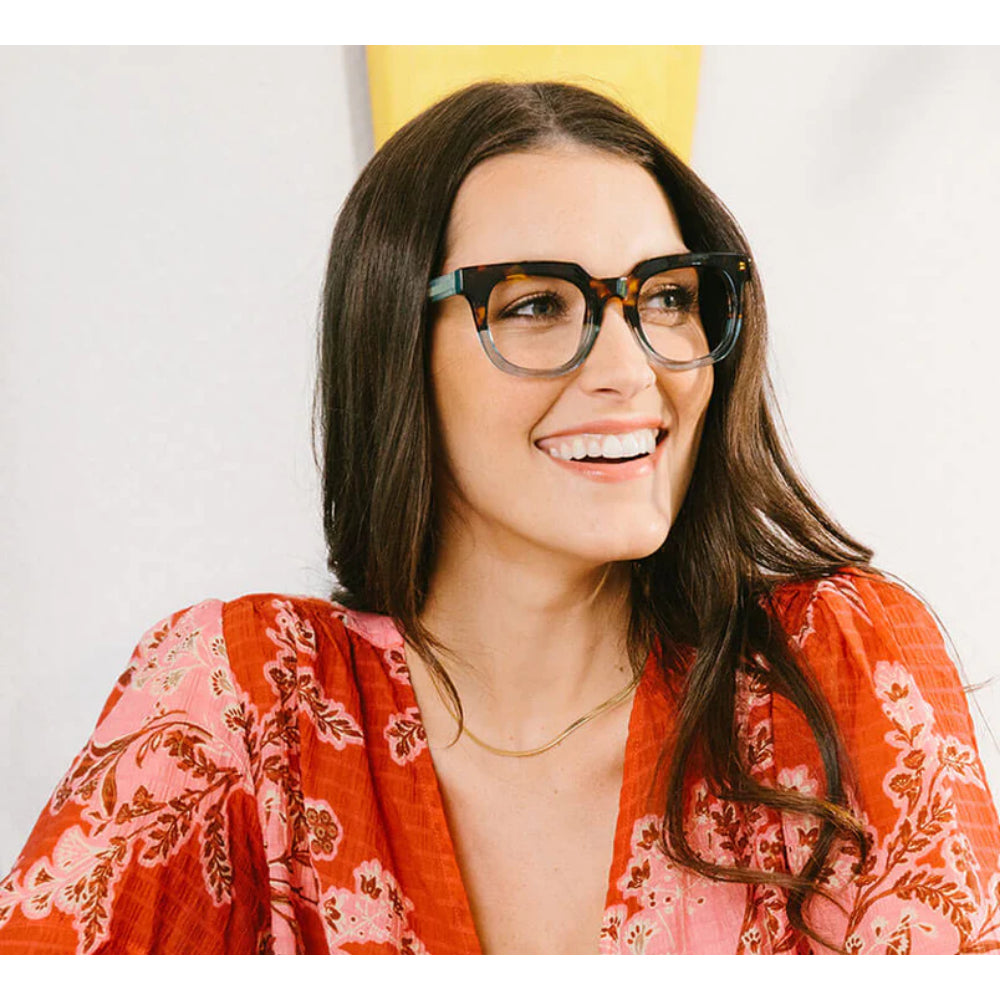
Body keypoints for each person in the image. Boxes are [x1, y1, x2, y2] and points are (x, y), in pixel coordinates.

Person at [1, 80, 998, 956]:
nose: (630, 370)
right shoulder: (245, 705)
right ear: (393, 345)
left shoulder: (837, 671)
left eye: (666, 297)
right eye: (533, 306)